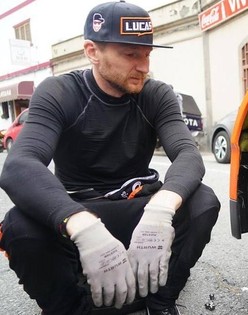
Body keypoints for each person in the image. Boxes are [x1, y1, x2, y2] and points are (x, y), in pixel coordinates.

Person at [0, 1, 220, 315]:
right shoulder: (60, 92)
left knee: (204, 201)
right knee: (18, 225)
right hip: (80, 210)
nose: (143, 66)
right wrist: (81, 225)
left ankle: (160, 302)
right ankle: (73, 308)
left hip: (138, 208)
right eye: (131, 55)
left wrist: (162, 206)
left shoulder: (156, 95)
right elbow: (20, 165)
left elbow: (187, 153)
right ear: (92, 51)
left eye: (147, 54)